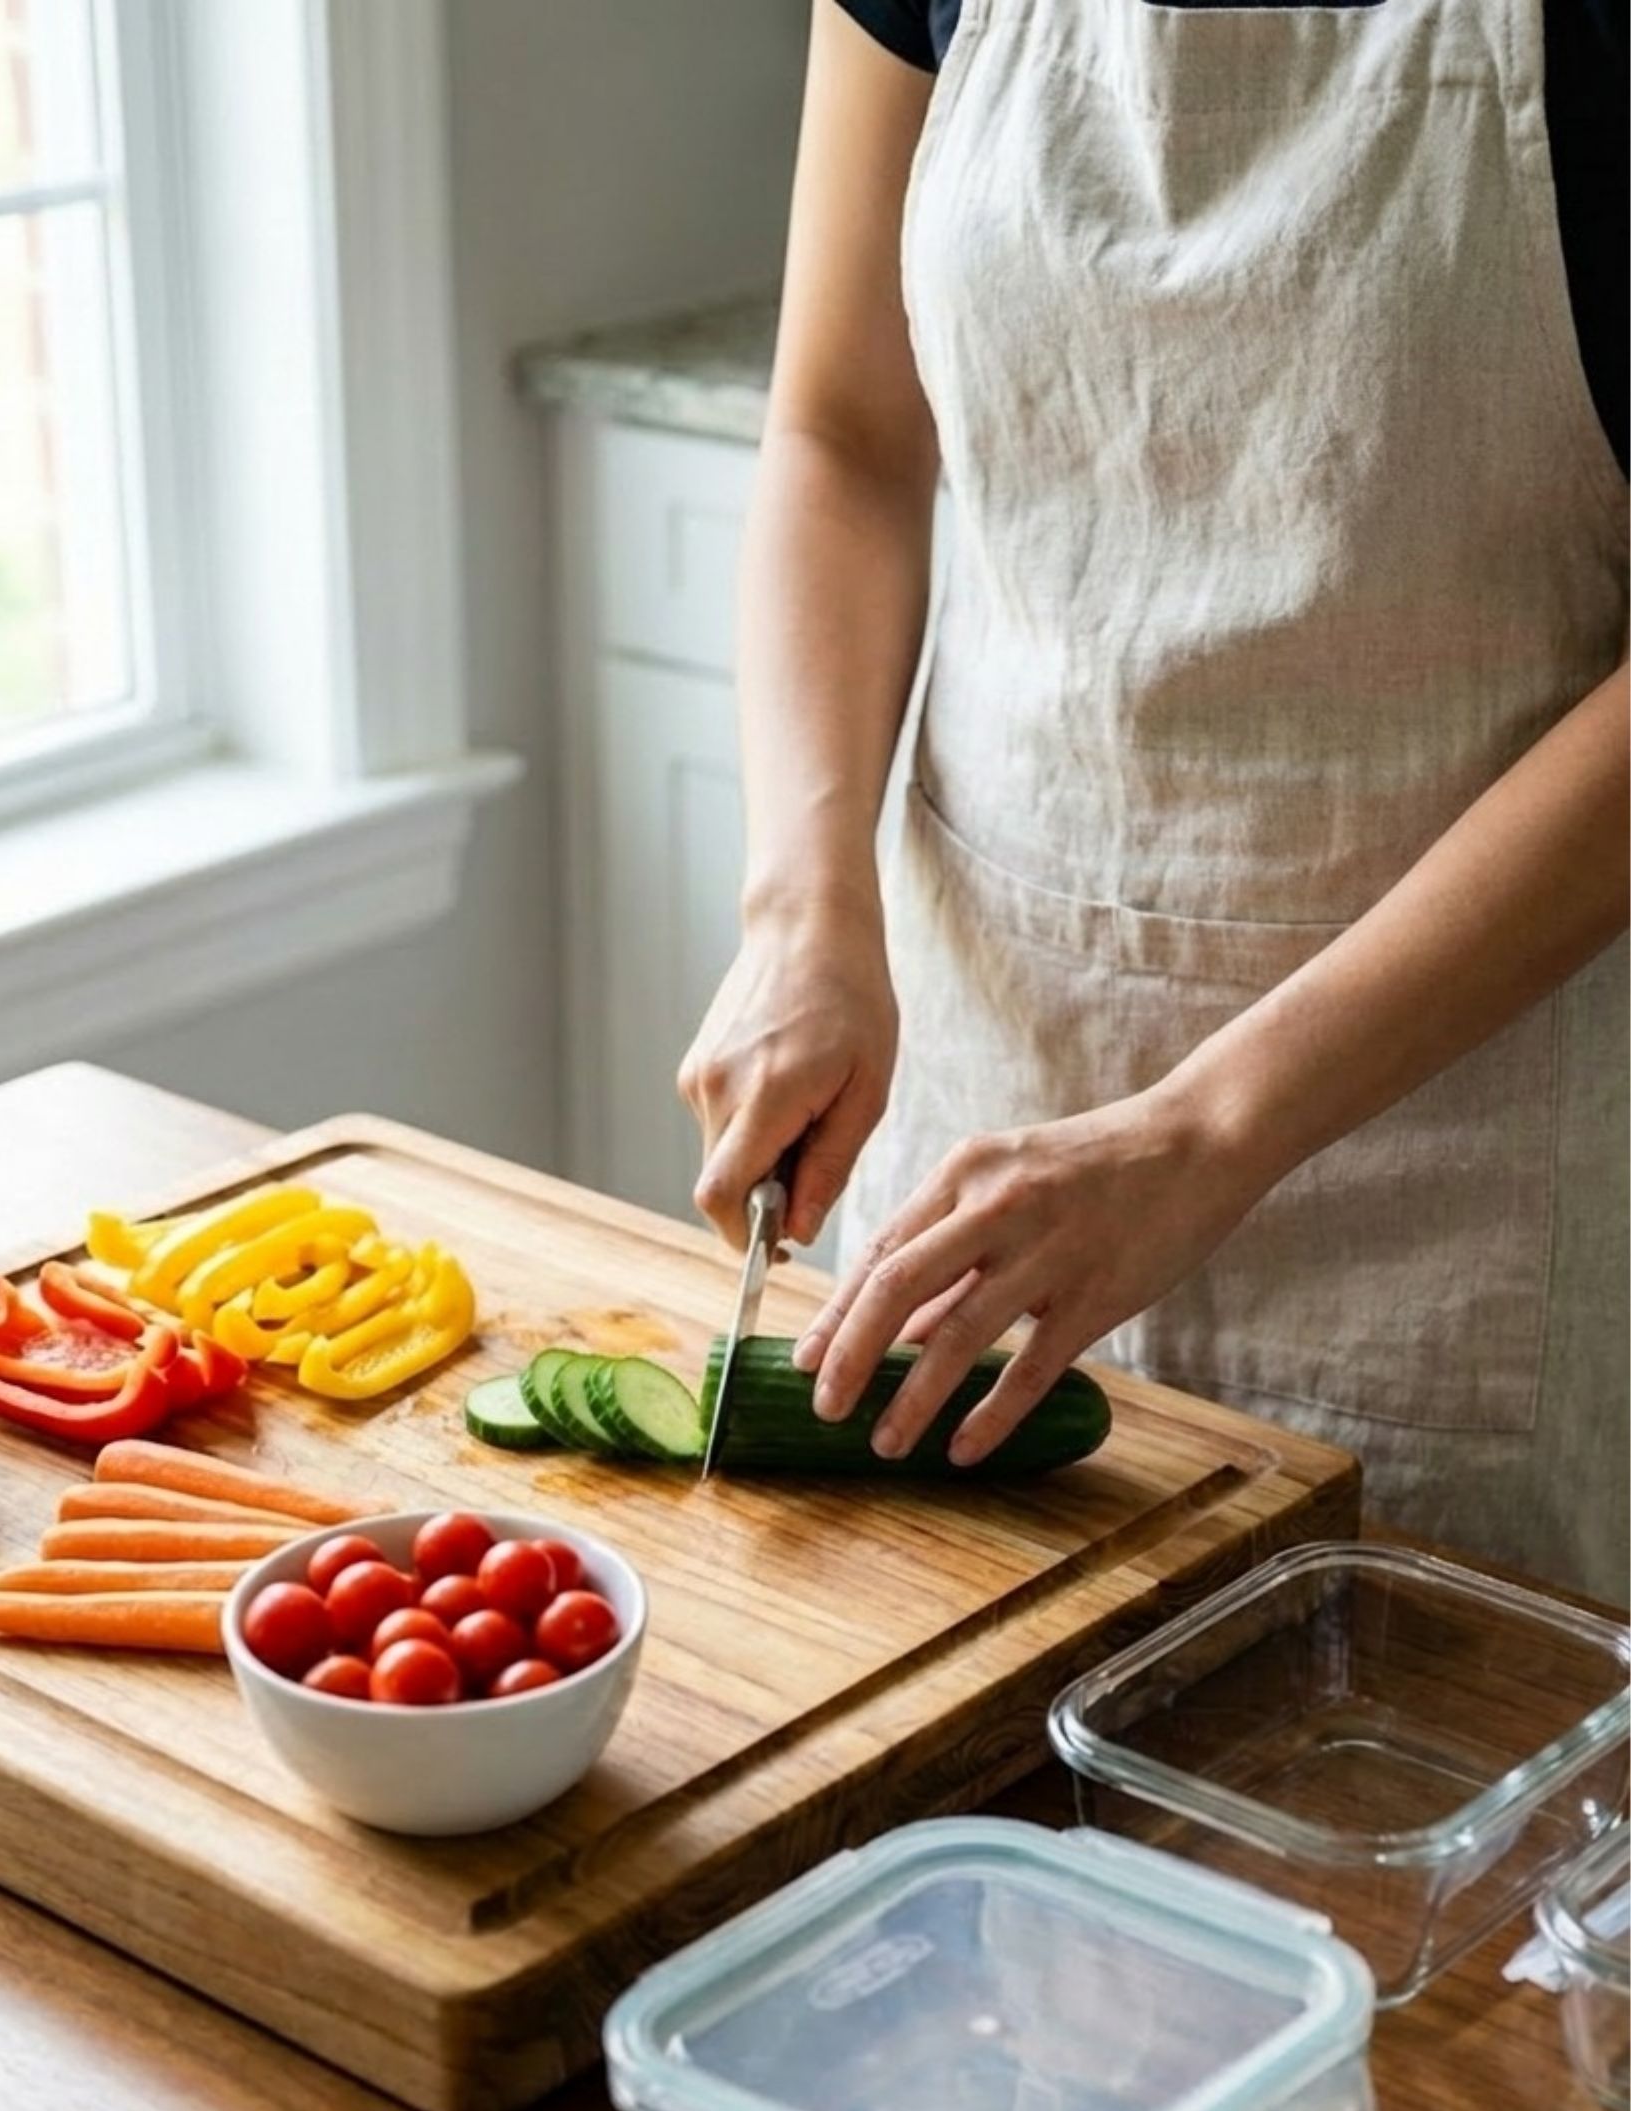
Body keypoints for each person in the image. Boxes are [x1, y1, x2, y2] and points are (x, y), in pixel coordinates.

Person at [679, 0, 1628, 1602]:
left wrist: (1206, 1128)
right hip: (994, 1049)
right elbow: (842, 429)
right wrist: (801, 903)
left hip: (1469, 1145)